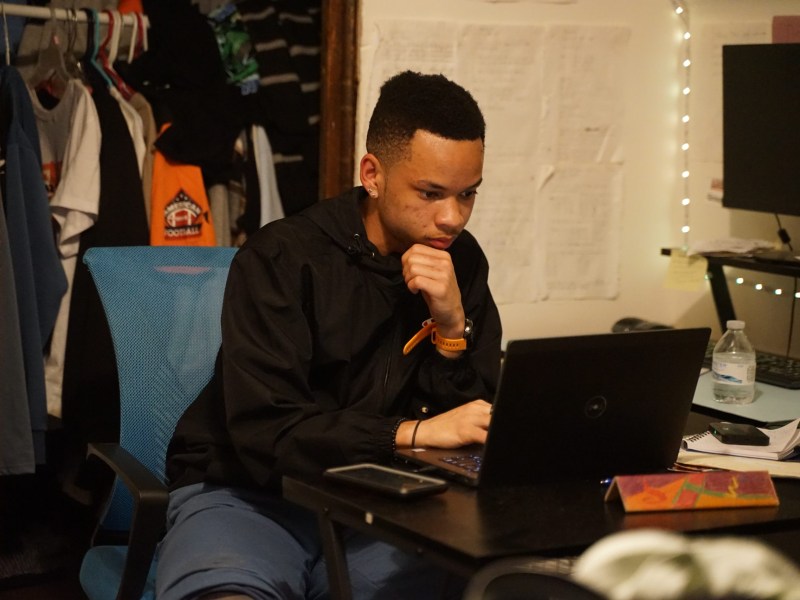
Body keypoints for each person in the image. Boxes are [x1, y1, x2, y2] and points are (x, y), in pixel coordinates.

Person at [156, 70, 503, 600]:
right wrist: (409, 434)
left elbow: (467, 426)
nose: (452, 218)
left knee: (496, 574)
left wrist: (453, 327)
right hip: (251, 492)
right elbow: (267, 434)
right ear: (373, 173)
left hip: (387, 501)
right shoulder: (281, 258)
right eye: (431, 193)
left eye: (467, 195)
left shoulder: (462, 262)